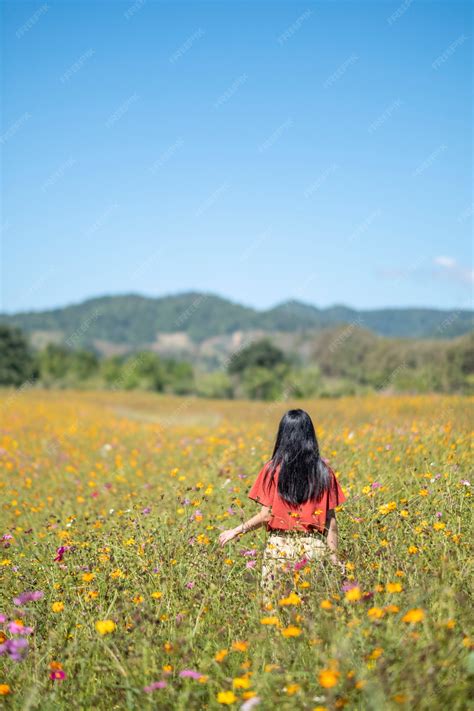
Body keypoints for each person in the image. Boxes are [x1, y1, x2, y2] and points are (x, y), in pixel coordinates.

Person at [218, 409, 347, 605]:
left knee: (274, 611)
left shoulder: (271, 469)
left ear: (283, 435)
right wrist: (334, 558)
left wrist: (237, 530)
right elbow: (331, 521)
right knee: (310, 613)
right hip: (314, 549)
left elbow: (265, 516)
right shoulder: (324, 472)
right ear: (310, 435)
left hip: (279, 550)